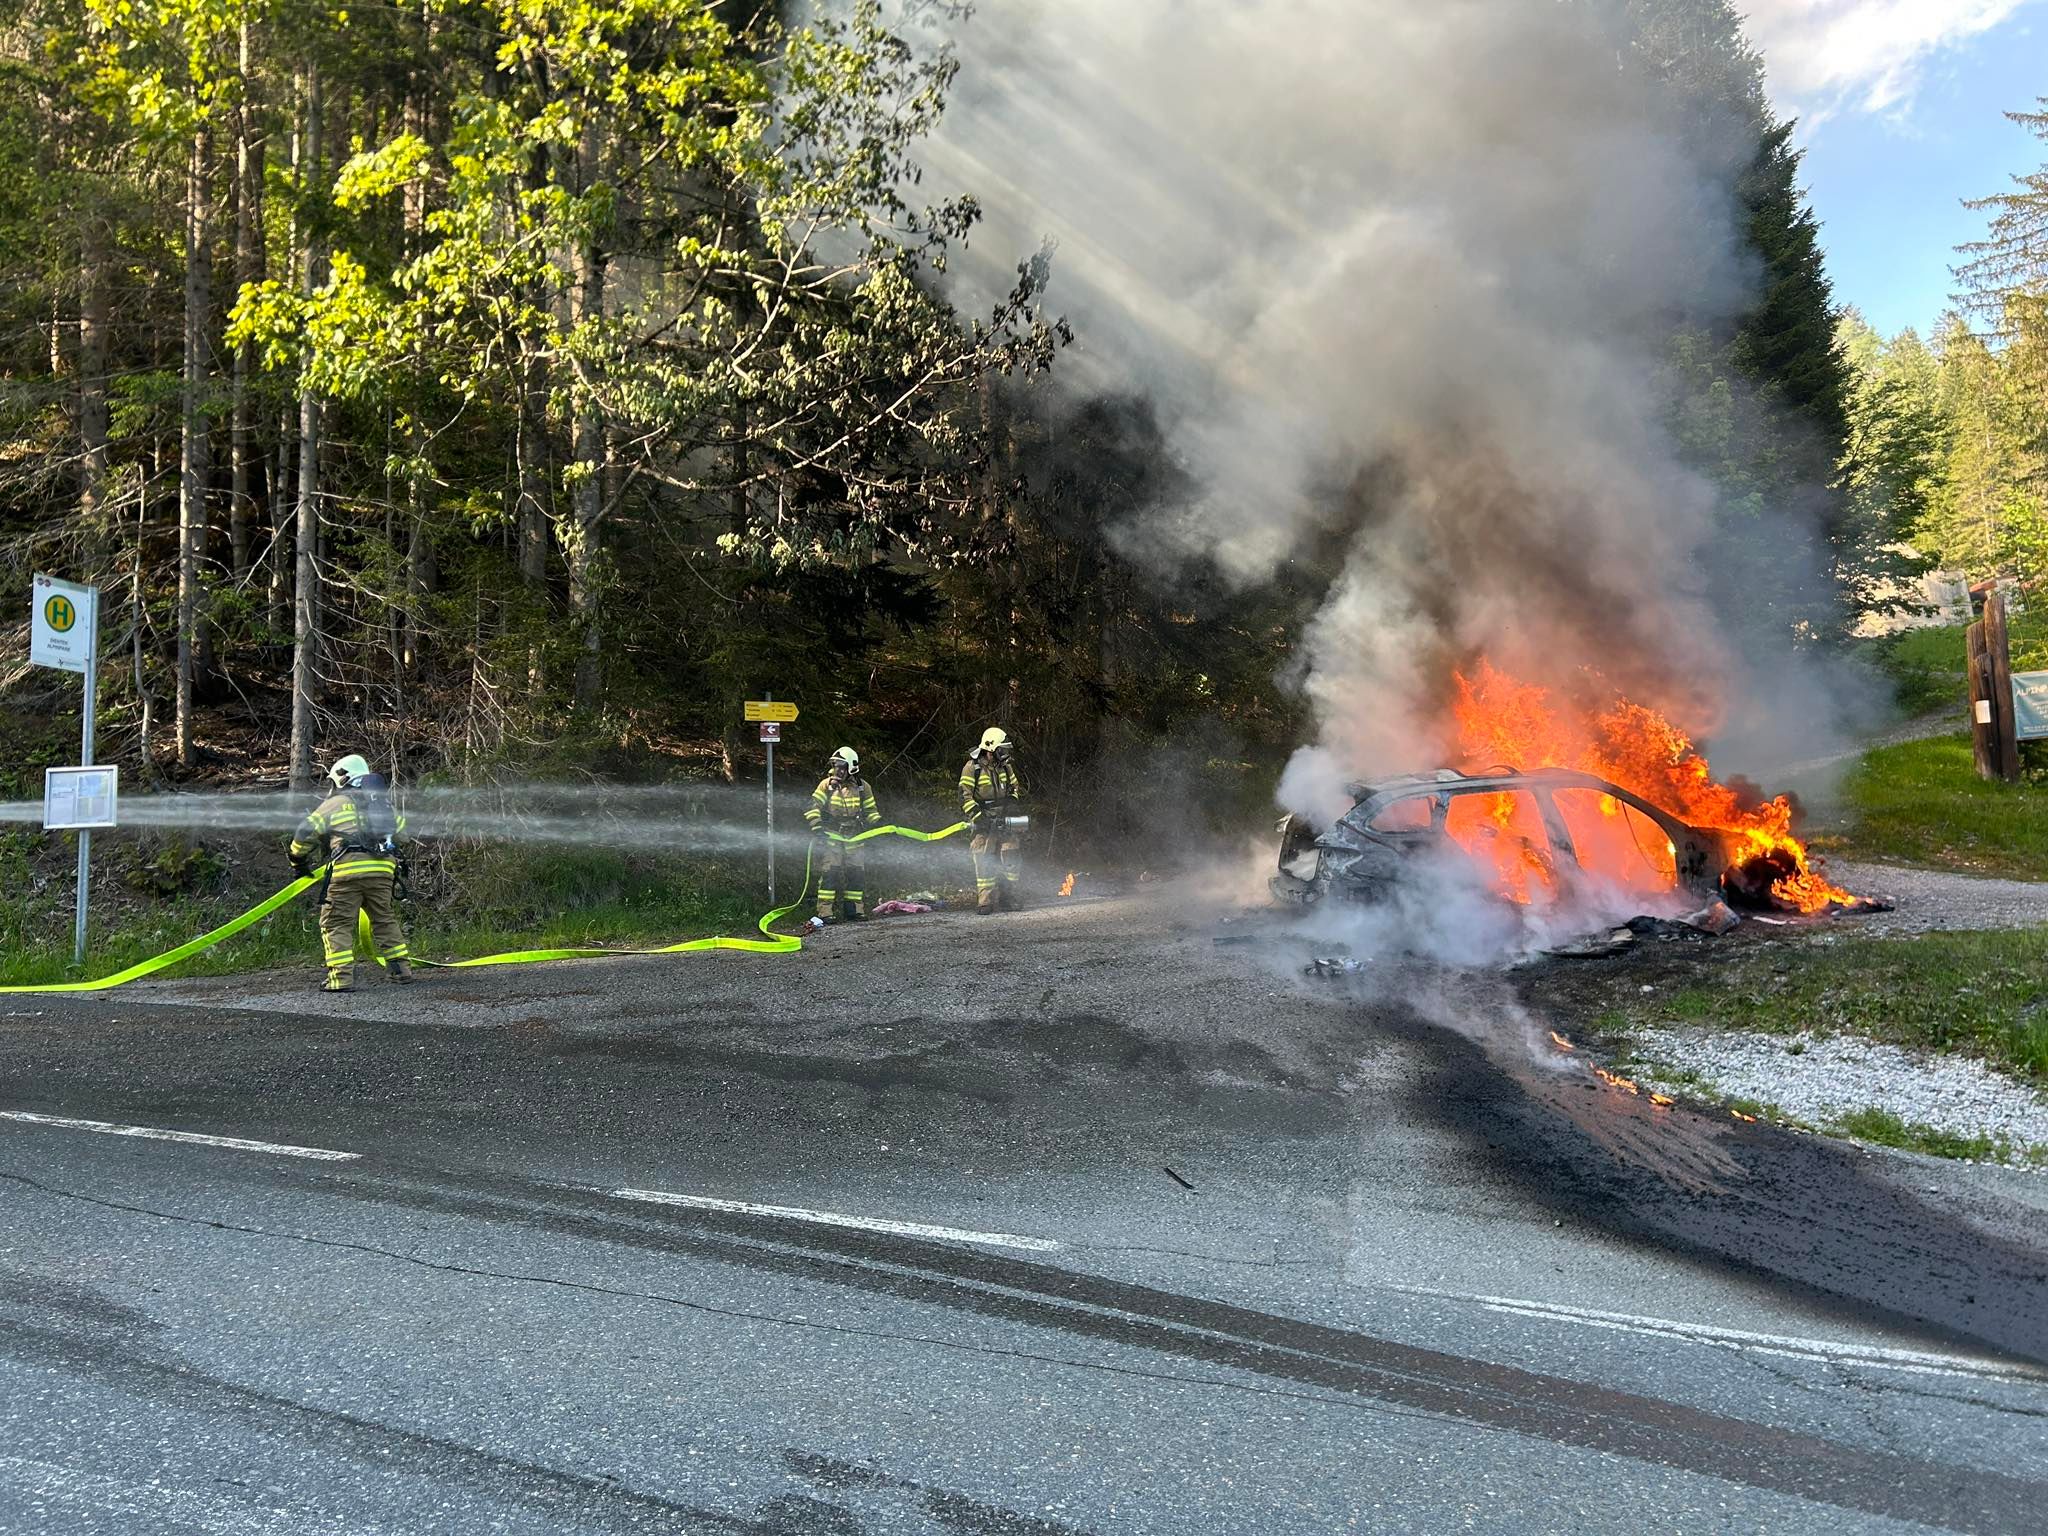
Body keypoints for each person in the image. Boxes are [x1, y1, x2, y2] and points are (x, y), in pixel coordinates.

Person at [289, 753, 413, 992]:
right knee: (384, 919)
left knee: (336, 923)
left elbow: (305, 832)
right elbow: (403, 835)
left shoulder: (335, 803)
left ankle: (341, 978)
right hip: (382, 871)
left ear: (342, 778)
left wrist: (297, 860)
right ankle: (401, 970)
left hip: (347, 871)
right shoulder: (382, 805)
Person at [805, 746, 882, 922]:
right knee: (830, 874)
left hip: (856, 837)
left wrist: (878, 824)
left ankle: (854, 910)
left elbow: (871, 811)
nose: (837, 770)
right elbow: (812, 806)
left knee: (856, 874)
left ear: (851, 768)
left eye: (841, 766)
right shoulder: (827, 785)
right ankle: (825, 912)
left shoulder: (863, 787)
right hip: (832, 837)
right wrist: (817, 827)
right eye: (835, 766)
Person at [959, 727, 1025, 914]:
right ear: (990, 748)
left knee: (1011, 856)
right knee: (984, 859)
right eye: (1002, 750)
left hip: (1004, 819)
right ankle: (985, 901)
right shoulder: (972, 768)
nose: (1005, 754)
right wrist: (979, 818)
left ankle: (1009, 897)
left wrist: (1012, 804)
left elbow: (1014, 788)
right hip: (983, 821)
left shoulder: (1005, 767)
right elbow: (964, 796)